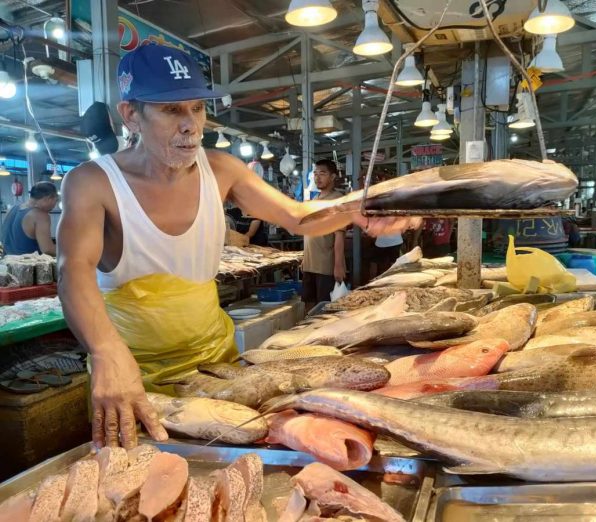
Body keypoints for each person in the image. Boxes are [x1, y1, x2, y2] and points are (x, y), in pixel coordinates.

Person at [56, 43, 418, 450]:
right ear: (131, 115)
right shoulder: (93, 182)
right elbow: (73, 270)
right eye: (171, 110)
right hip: (128, 369)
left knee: (225, 464)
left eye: (197, 108)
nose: (191, 125)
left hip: (213, 361)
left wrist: (358, 210)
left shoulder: (221, 169)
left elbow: (298, 216)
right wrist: (106, 352)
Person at [301, 159, 346, 311]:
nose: (317, 177)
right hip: (309, 264)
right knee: (308, 304)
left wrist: (339, 266)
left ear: (333, 177)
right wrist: (304, 259)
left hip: (325, 266)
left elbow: (339, 235)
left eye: (322, 173)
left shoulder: (337, 200)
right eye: (315, 173)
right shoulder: (315, 199)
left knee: (324, 309)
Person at [1, 182, 58, 255]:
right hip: (28, 265)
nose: (54, 206)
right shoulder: (40, 215)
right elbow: (47, 250)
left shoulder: (11, 209)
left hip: (5, 263)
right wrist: (71, 250)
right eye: (56, 200)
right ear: (49, 198)